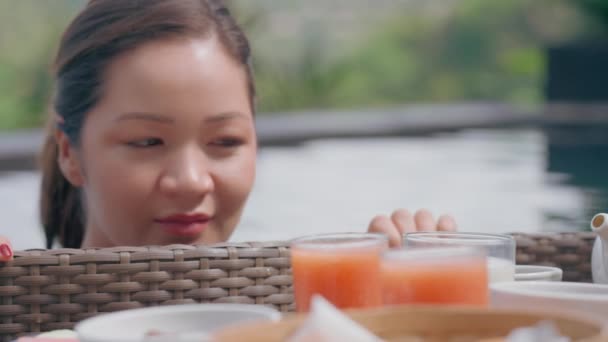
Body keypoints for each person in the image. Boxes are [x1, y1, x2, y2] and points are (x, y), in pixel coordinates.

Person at [0, 0, 456, 262]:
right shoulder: (22, 315)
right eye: (147, 142)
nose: (192, 181)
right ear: (70, 154)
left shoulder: (301, 317)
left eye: (225, 142)